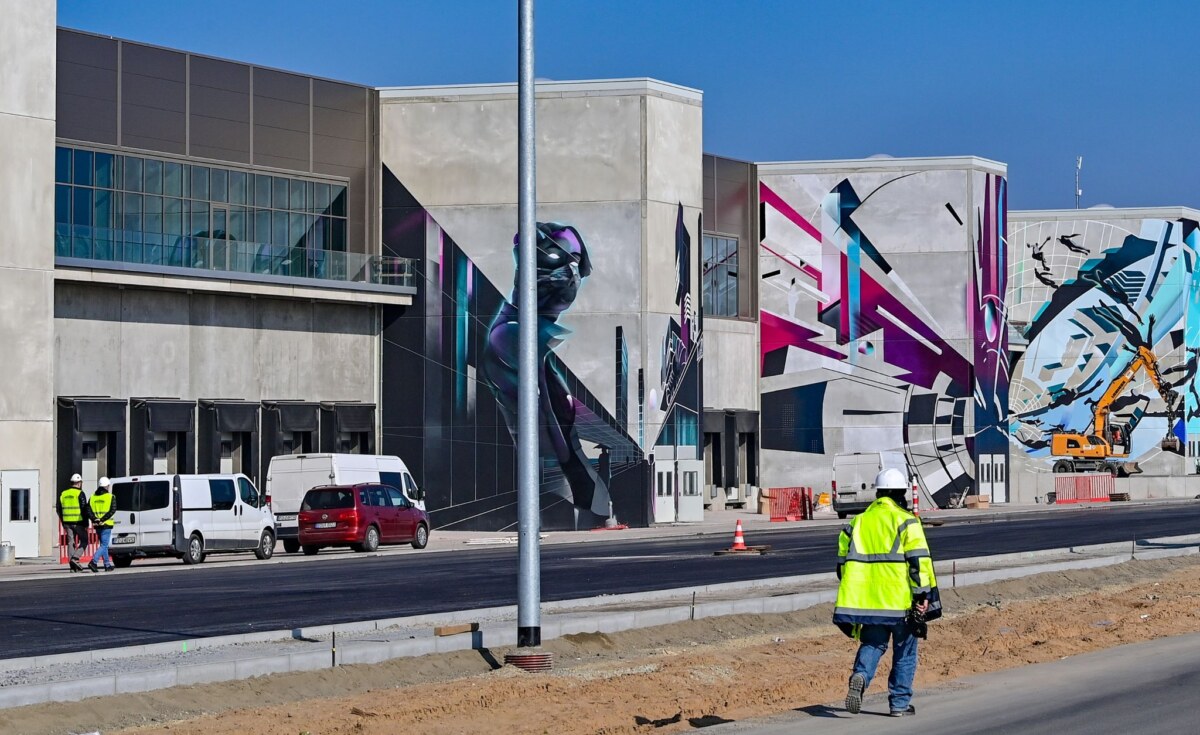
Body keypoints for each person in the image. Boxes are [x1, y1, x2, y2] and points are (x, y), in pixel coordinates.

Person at [833, 467, 941, 717]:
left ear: (878, 493)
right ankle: (899, 704)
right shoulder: (907, 521)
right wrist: (922, 596)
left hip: (867, 604)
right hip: (900, 601)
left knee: (873, 643)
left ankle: (861, 675)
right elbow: (919, 562)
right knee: (905, 651)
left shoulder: (857, 522)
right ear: (902, 493)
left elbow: (841, 567)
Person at [57, 473, 91, 573]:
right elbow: (84, 509)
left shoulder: (63, 494)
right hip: (78, 522)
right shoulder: (80, 493)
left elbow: (59, 509)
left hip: (67, 522)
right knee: (84, 540)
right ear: (79, 483)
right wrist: (86, 523)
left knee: (71, 542)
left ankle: (73, 567)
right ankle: (75, 558)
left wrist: (63, 521)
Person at [88, 477, 116, 572]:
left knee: (103, 545)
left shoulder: (92, 497)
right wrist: (102, 519)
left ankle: (107, 565)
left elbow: (88, 510)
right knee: (104, 545)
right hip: (106, 524)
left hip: (97, 524)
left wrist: (95, 519)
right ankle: (93, 561)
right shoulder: (110, 496)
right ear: (107, 486)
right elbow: (112, 510)